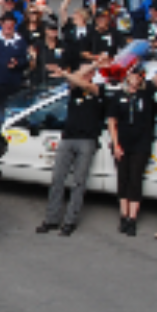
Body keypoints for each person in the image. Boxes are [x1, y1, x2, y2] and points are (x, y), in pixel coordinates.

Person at [35, 61, 105, 237]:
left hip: (87, 141)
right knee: (57, 179)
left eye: (85, 71)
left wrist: (93, 64)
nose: (81, 74)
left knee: (78, 183)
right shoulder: (74, 88)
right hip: (68, 139)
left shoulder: (98, 89)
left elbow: (86, 83)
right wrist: (71, 72)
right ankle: (51, 219)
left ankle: (70, 221)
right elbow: (75, 80)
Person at [106, 54, 157, 237]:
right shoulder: (118, 96)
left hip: (141, 145)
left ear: (141, 77)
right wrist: (116, 145)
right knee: (122, 180)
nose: (135, 78)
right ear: (127, 76)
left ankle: (133, 219)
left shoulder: (147, 91)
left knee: (135, 180)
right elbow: (112, 122)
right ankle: (123, 216)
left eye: (139, 75)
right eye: (132, 74)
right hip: (122, 145)